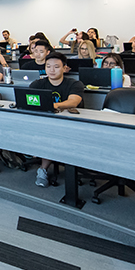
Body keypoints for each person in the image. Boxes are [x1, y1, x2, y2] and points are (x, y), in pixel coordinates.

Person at [29, 52, 85, 188]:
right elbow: (29, 101)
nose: (52, 70)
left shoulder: (74, 84)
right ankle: (38, 165)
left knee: (50, 134)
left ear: (64, 68)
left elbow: (73, 101)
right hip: (45, 123)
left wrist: (53, 105)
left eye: (56, 67)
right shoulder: (38, 84)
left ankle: (43, 169)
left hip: (71, 124)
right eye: (48, 66)